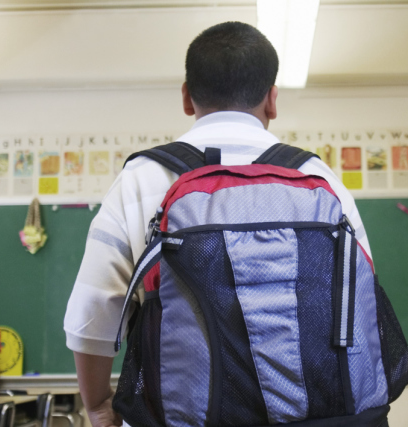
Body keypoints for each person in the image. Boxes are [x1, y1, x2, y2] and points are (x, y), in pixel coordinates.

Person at [63, 21, 373, 427]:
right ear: (272, 99)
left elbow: (91, 314)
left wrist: (99, 408)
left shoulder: (143, 178)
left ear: (187, 98)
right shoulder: (321, 180)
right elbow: (361, 302)